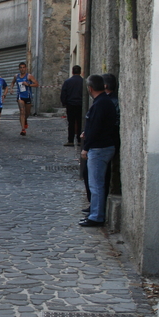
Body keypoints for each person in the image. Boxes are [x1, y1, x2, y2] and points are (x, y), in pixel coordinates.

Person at [80, 74, 119, 227]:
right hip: (104, 145)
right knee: (96, 183)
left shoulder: (100, 103)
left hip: (99, 148)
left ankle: (96, 216)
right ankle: (95, 213)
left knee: (96, 184)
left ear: (90, 88)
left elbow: (96, 128)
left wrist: (86, 148)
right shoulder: (105, 102)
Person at [60, 65, 84, 146]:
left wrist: (64, 103)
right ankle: (80, 140)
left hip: (70, 104)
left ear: (72, 72)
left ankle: (70, 140)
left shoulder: (67, 82)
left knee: (71, 123)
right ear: (80, 72)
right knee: (80, 122)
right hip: (80, 104)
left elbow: (64, 93)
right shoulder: (83, 81)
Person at [13, 62, 38, 136]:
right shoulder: (16, 76)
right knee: (22, 111)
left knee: (27, 113)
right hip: (20, 96)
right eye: (21, 67)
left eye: (23, 67)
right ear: (19, 68)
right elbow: (12, 82)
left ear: (26, 68)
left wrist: (28, 84)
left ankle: (25, 120)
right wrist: (11, 89)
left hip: (28, 96)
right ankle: (23, 129)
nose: (22, 69)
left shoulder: (29, 76)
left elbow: (37, 84)